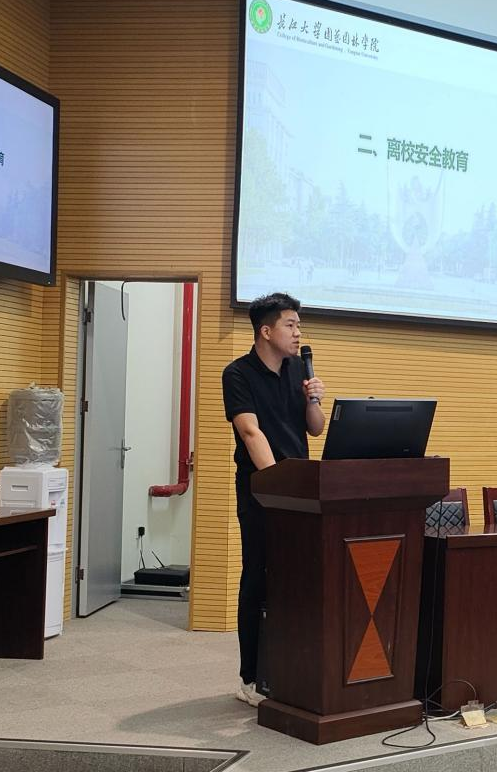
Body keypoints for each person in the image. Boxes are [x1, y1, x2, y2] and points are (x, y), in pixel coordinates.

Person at [221, 292, 326, 707]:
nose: (298, 332)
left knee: (296, 579)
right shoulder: (238, 373)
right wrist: (278, 486)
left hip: (300, 491)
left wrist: (314, 398)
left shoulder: (298, 368)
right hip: (262, 491)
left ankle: (288, 669)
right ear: (266, 331)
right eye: (290, 325)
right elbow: (251, 432)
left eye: (299, 325)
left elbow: (315, 428)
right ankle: (250, 677)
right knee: (259, 576)